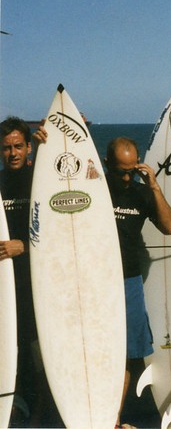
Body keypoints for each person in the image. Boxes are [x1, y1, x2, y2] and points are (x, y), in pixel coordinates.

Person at [103, 137, 171, 427]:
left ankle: (114, 418)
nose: (125, 177)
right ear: (107, 164)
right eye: (120, 171)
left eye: (131, 171)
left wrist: (154, 186)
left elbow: (170, 226)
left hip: (128, 281)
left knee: (127, 353)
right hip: (95, 281)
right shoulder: (94, 188)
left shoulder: (140, 193)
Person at [0, 116, 55, 426]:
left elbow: (64, 233)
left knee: (39, 355)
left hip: (38, 285)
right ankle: (14, 407)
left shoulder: (42, 180)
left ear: (29, 147)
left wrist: (25, 246)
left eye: (19, 146)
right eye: (6, 148)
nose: (13, 153)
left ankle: (40, 415)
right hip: (5, 288)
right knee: (9, 352)